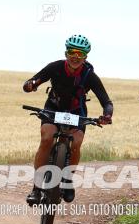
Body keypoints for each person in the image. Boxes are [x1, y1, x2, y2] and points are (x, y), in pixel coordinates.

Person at [22, 34, 113, 205]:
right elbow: (33, 81)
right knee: (47, 138)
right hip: (53, 108)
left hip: (76, 112)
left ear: (86, 56)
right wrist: (31, 85)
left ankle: (67, 179)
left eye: (80, 54)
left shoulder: (89, 75)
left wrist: (107, 116)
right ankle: (36, 187)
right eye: (72, 52)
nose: (75, 57)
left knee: (76, 143)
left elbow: (106, 102)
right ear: (66, 53)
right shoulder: (55, 67)